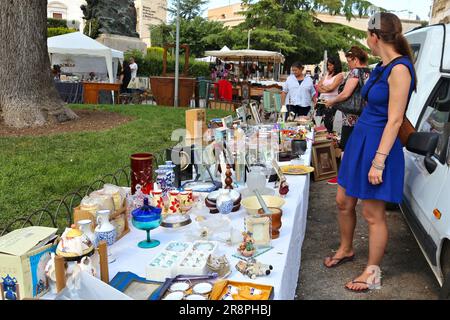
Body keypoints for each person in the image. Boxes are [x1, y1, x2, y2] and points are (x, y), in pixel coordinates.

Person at [323, 12, 417, 293]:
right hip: (360, 140)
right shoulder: (381, 66)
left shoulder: (400, 69)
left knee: (373, 214)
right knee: (343, 200)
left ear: (375, 37)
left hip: (379, 146)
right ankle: (346, 248)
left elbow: (395, 120)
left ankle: (372, 273)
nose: (367, 40)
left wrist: (378, 162)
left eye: (367, 35)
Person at [324, 47, 371, 185]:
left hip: (351, 116)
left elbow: (346, 93)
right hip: (364, 115)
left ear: (356, 59)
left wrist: (331, 101)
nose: (348, 64)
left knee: (345, 146)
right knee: (359, 147)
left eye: (349, 61)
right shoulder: (370, 72)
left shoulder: (355, 72)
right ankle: (356, 177)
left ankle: (343, 177)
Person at [317, 56, 344, 134]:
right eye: (328, 65)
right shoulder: (327, 74)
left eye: (331, 65)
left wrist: (323, 87)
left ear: (336, 65)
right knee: (317, 120)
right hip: (321, 100)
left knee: (328, 122)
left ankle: (328, 138)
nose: (329, 67)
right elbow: (318, 87)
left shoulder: (339, 75)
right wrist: (326, 88)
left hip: (331, 101)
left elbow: (332, 88)